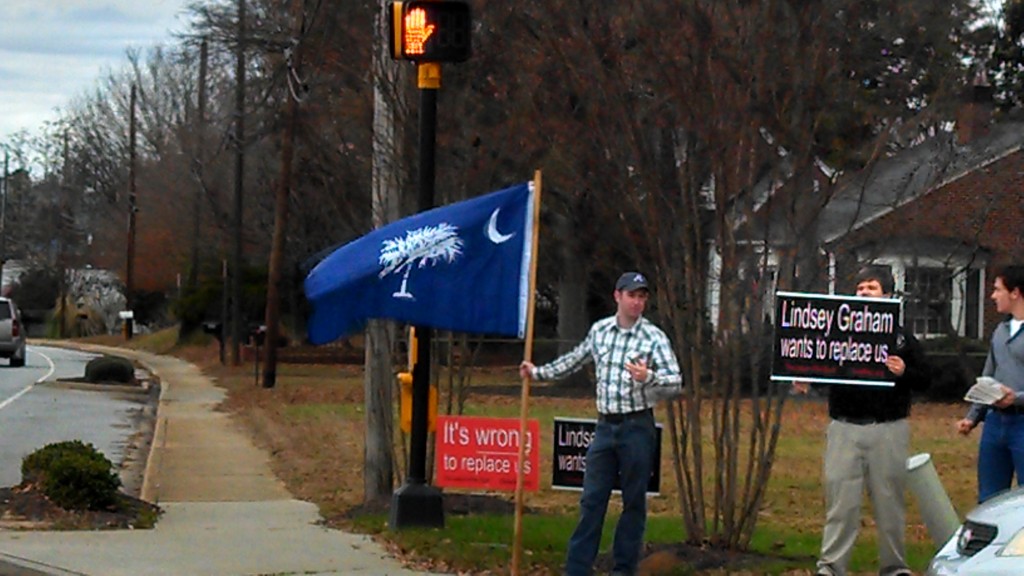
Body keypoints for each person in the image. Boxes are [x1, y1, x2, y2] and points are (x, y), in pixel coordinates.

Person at [519, 271, 682, 576]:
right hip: (605, 428)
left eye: (642, 297)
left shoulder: (653, 338)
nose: (637, 302)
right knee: (592, 500)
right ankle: (578, 568)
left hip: (637, 427)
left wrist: (649, 378)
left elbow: (675, 382)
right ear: (617, 296)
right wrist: (537, 372)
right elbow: (574, 360)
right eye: (632, 295)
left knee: (634, 502)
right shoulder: (601, 332)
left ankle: (623, 569)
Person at [801, 266, 930, 576]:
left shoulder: (902, 339)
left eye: (871, 287)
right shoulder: (838, 334)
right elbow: (824, 370)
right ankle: (832, 566)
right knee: (840, 503)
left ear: (886, 294)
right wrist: (806, 380)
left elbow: (926, 379)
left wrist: (903, 372)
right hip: (844, 427)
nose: (864, 293)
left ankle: (894, 567)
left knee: (890, 503)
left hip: (888, 428)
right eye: (860, 288)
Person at [956, 264, 1024, 503]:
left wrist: (1016, 397)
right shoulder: (1000, 331)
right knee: (990, 500)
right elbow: (988, 376)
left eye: (997, 290)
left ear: (1015, 292)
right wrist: (973, 417)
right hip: (995, 423)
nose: (993, 296)